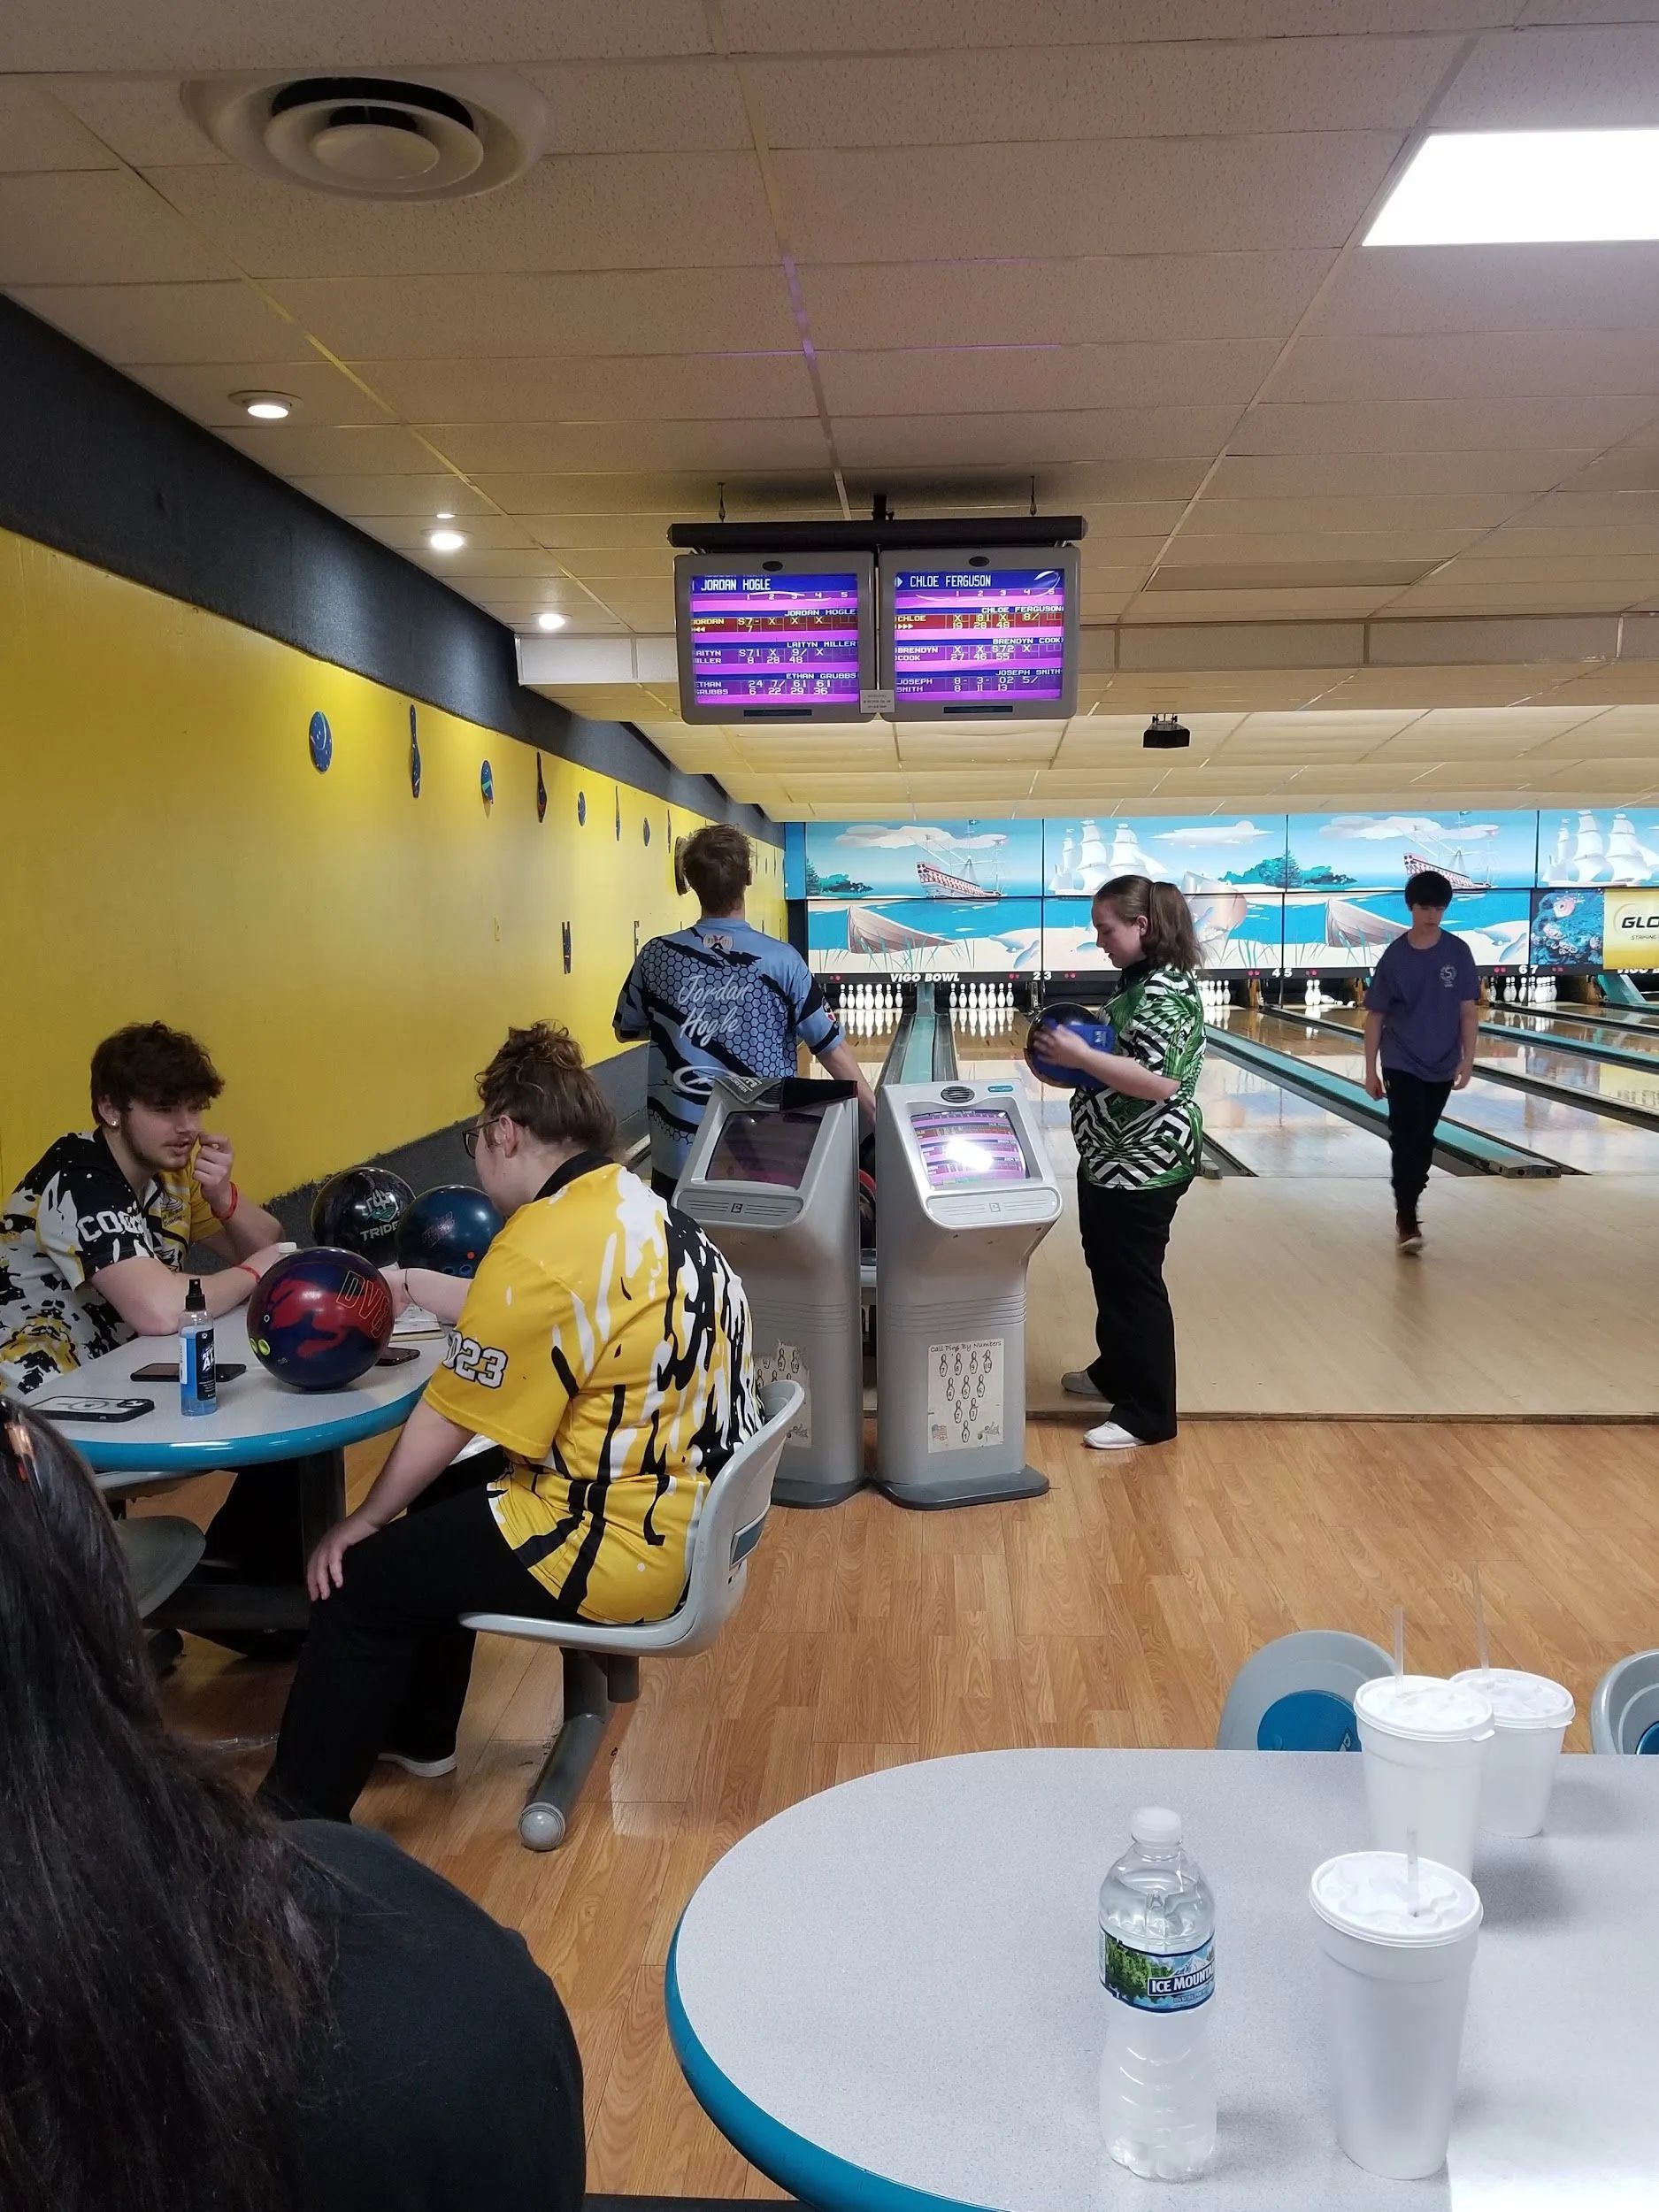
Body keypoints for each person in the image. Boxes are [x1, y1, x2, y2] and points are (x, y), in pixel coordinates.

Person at [0, 1399, 585, 2212]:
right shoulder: (422, 1991)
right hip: (611, 1521)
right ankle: (323, 1784)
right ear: (105, 1617)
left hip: (585, 1521)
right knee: (376, 1564)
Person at [263, 1020, 758, 1824]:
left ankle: (290, 1830)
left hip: (616, 1542)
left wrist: (360, 1519)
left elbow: (448, 1415)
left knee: (360, 1580)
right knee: (441, 1504)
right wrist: (421, 1283)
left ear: (504, 1130)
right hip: (685, 1508)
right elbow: (551, 1310)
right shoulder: (634, 1207)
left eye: (476, 1139)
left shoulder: (539, 1243)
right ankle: (419, 1733)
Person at [0, 1022, 293, 1577]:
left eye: (194, 1108)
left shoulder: (170, 1173)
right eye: (164, 1109)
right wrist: (254, 1271)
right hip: (38, 1416)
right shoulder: (78, 1176)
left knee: (289, 1410)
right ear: (111, 1108)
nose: (186, 1129)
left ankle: (244, 1587)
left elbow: (270, 1245)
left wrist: (224, 1198)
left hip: (115, 1380)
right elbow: (161, 1308)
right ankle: (220, 1596)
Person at [614, 821, 877, 1197]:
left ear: (690, 881)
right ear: (748, 877)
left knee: (683, 1253)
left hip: (678, 1156)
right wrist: (874, 1112)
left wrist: (686, 1020)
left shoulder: (657, 956)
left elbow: (627, 1027)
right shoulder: (783, 961)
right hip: (764, 1151)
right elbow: (829, 1047)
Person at [1041, 878, 1206, 1454]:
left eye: (1105, 929)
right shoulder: (1142, 980)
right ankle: (1115, 1370)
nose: (1099, 940)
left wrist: (1080, 1055)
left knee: (1133, 1284)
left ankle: (1147, 1412)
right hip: (1112, 1162)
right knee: (1109, 1272)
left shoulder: (1164, 993)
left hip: (1143, 1165)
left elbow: (1158, 1082)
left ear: (1141, 926)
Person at [1363, 869, 1479, 1255]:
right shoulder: (1394, 957)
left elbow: (1467, 1011)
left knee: (1423, 1139)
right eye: (1426, 907)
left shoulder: (1458, 951)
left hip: (1442, 1060)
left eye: (1439, 908)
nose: (1432, 915)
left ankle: (1409, 1203)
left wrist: (1468, 1059)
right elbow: (1376, 1016)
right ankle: (1407, 1216)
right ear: (1411, 908)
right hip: (1401, 1059)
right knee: (1406, 1134)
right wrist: (1370, 1070)